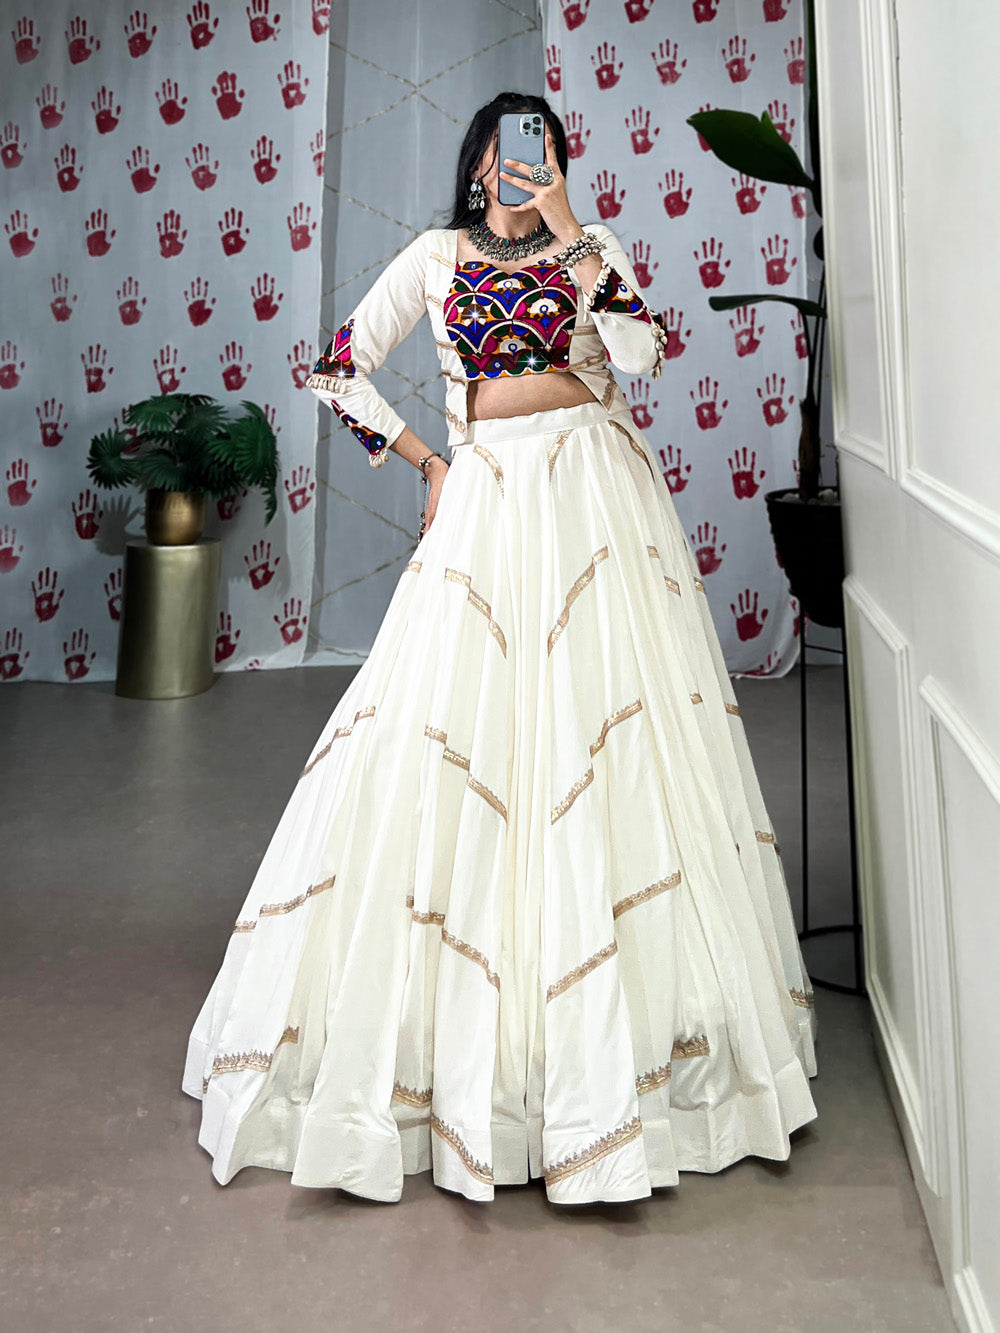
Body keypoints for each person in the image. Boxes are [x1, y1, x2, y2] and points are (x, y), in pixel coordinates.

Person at [182, 92, 818, 1206]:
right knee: (463, 740)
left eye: (546, 147)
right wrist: (427, 460)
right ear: (477, 164)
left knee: (608, 747)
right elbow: (334, 366)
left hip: (596, 501)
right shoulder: (435, 257)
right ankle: (471, 1057)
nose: (525, 162)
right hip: (485, 503)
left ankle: (624, 1057)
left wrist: (573, 231)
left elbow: (642, 355)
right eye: (507, 146)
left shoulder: (591, 247)